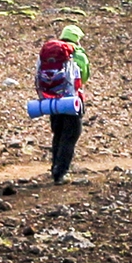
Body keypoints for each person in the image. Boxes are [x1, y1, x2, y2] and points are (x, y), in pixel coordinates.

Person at [35, 24, 87, 182]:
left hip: (52, 100)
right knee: (71, 135)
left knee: (58, 133)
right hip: (73, 101)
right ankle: (61, 172)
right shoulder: (77, 54)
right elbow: (83, 77)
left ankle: (55, 167)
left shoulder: (48, 53)